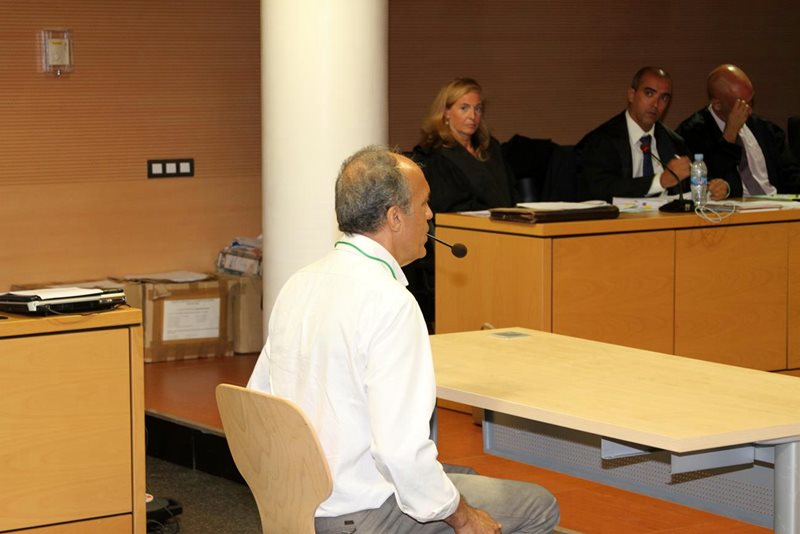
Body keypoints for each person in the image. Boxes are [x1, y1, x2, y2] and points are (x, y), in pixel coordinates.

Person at [248, 146, 560, 534]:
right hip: (360, 513)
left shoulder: (299, 283)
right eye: (424, 203)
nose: (430, 214)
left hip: (296, 503)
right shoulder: (390, 301)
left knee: (461, 479)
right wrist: (464, 518)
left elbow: (259, 400)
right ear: (395, 217)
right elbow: (399, 452)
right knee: (538, 504)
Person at [576, 66, 723, 202]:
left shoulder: (674, 142)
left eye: (664, 98)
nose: (656, 104)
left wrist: (714, 188)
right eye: (649, 93)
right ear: (631, 95)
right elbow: (600, 189)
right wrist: (660, 181)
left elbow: (692, 182)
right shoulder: (602, 140)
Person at [676, 64, 800, 198]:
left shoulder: (765, 128)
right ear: (717, 104)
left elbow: (791, 174)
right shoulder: (691, 133)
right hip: (734, 208)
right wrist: (730, 134)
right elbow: (708, 181)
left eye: (750, 101)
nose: (749, 110)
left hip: (777, 203)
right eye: (741, 104)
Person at [412, 77, 517, 213]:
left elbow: (511, 193)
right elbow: (448, 205)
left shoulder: (490, 148)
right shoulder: (434, 155)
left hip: (507, 222)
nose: (472, 116)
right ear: (446, 112)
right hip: (464, 225)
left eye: (478, 109)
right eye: (464, 108)